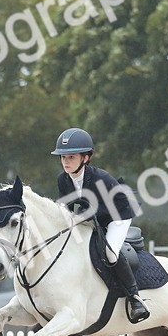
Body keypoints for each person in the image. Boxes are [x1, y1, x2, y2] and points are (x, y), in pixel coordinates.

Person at [51, 127, 150, 324]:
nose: (65, 162)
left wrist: (83, 217)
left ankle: (135, 298)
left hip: (117, 215)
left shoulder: (100, 178)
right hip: (93, 215)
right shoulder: (63, 179)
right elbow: (67, 207)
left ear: (85, 158)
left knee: (110, 252)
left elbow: (107, 208)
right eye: (63, 157)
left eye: (71, 157)